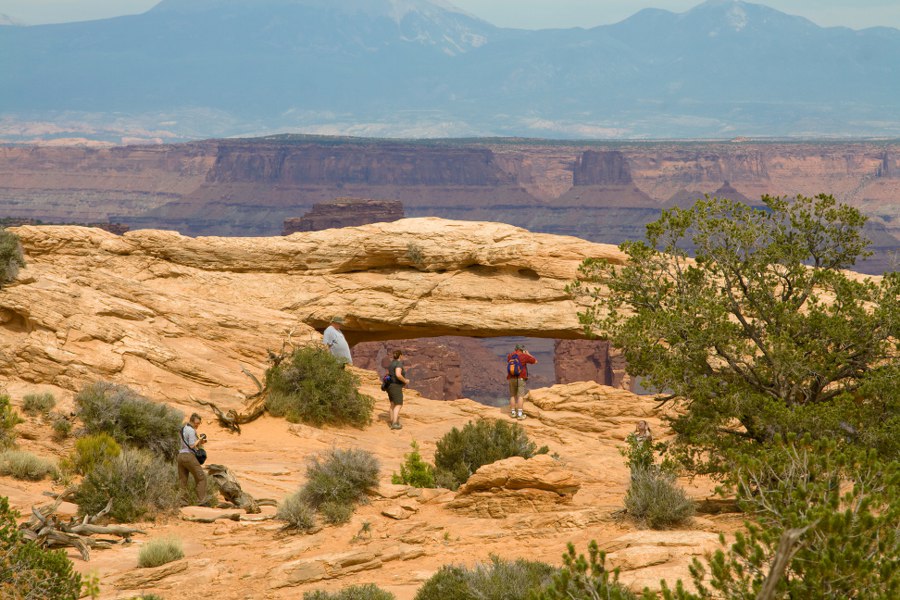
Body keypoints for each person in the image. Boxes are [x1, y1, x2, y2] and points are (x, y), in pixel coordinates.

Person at [178, 413, 209, 506]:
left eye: (199, 423)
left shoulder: (183, 429)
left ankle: (182, 502)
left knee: (182, 480)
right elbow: (192, 445)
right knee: (201, 478)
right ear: (192, 421)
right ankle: (202, 501)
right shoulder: (191, 430)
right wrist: (200, 440)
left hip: (180, 456)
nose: (197, 425)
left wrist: (200, 441)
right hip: (188, 456)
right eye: (197, 423)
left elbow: (187, 442)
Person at [507, 343, 537, 420]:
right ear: (522, 349)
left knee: (512, 395)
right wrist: (528, 354)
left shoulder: (510, 355)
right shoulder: (524, 356)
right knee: (520, 396)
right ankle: (520, 414)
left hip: (511, 378)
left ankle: (513, 413)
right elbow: (535, 361)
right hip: (520, 378)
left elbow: (509, 362)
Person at [386, 349, 409, 430]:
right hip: (396, 386)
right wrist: (405, 381)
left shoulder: (391, 363)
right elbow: (398, 375)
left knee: (392, 404)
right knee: (398, 404)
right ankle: (395, 423)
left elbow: (389, 374)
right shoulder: (399, 364)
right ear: (400, 356)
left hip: (389, 386)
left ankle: (392, 421)